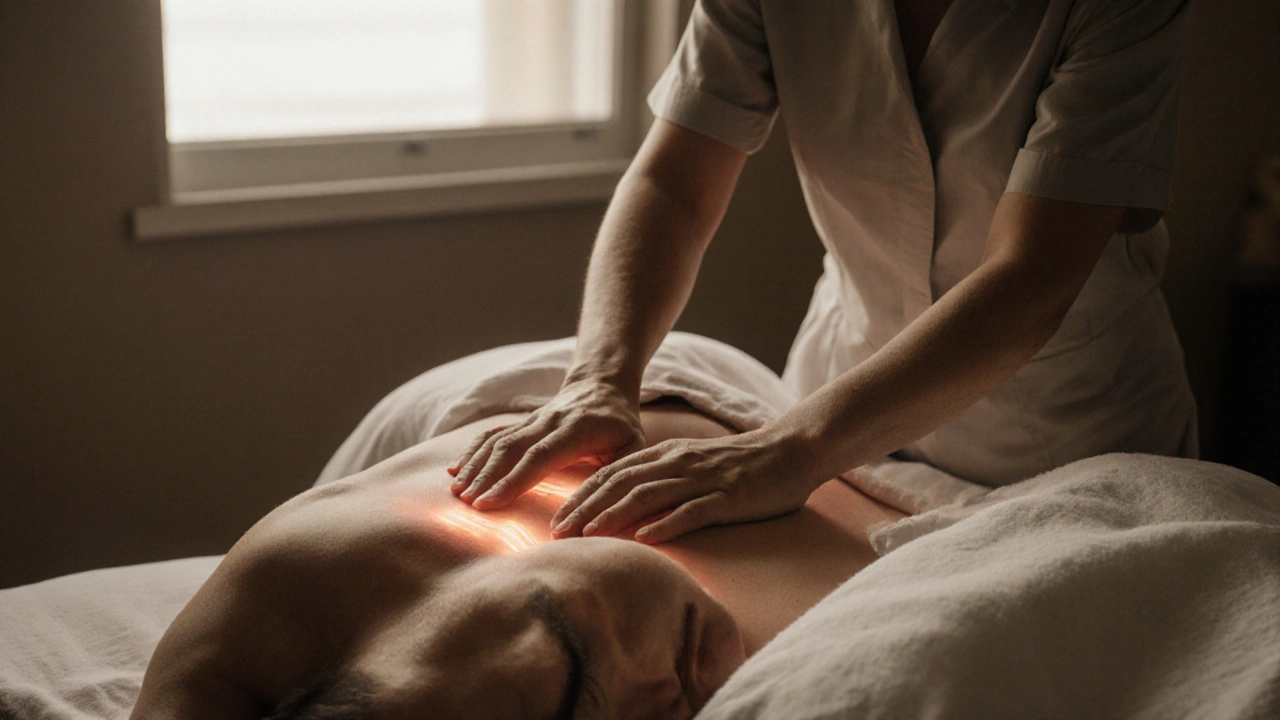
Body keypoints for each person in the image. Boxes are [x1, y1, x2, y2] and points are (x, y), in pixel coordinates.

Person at [449, 0, 1199, 544]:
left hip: (1064, 437)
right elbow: (672, 184)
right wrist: (601, 379)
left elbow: (1031, 277)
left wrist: (789, 452)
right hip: (837, 393)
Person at [129, 401, 903, 720]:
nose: (664, 696)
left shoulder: (298, 575)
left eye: (569, 664)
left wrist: (604, 377)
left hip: (606, 390)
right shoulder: (865, 635)